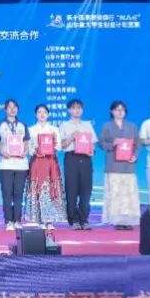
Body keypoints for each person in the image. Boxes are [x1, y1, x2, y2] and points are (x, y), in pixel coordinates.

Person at [100, 101, 141, 230]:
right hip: (113, 165)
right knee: (115, 194)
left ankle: (128, 221)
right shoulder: (107, 126)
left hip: (128, 166)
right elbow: (101, 143)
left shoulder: (132, 126)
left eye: (122, 109)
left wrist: (135, 156)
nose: (120, 112)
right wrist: (113, 143)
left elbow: (138, 144)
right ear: (112, 111)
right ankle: (117, 220)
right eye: (117, 109)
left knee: (128, 195)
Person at [59, 98, 97, 230]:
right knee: (72, 190)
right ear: (69, 110)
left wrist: (92, 151)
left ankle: (84, 219)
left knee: (86, 190)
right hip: (71, 158)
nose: (77, 110)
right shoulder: (64, 125)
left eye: (79, 108)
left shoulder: (87, 125)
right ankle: (74, 219)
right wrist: (71, 137)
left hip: (86, 159)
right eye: (74, 108)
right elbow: (61, 145)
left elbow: (92, 144)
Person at [25, 104, 63, 232]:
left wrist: (53, 147)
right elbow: (28, 148)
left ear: (48, 114)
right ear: (35, 114)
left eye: (44, 112)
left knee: (50, 189)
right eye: (39, 112)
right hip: (37, 162)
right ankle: (39, 219)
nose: (42, 114)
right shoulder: (31, 130)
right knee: (38, 189)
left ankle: (50, 220)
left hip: (50, 162)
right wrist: (34, 149)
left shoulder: (54, 129)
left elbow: (59, 146)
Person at [0, 99, 30, 231]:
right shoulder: (0, 124)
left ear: (18, 109)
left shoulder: (22, 125)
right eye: (9, 107)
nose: (12, 109)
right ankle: (8, 221)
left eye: (15, 107)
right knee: (7, 193)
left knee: (18, 193)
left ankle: (17, 220)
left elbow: (26, 142)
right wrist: (1, 151)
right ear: (5, 109)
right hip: (6, 164)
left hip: (21, 164)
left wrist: (25, 151)